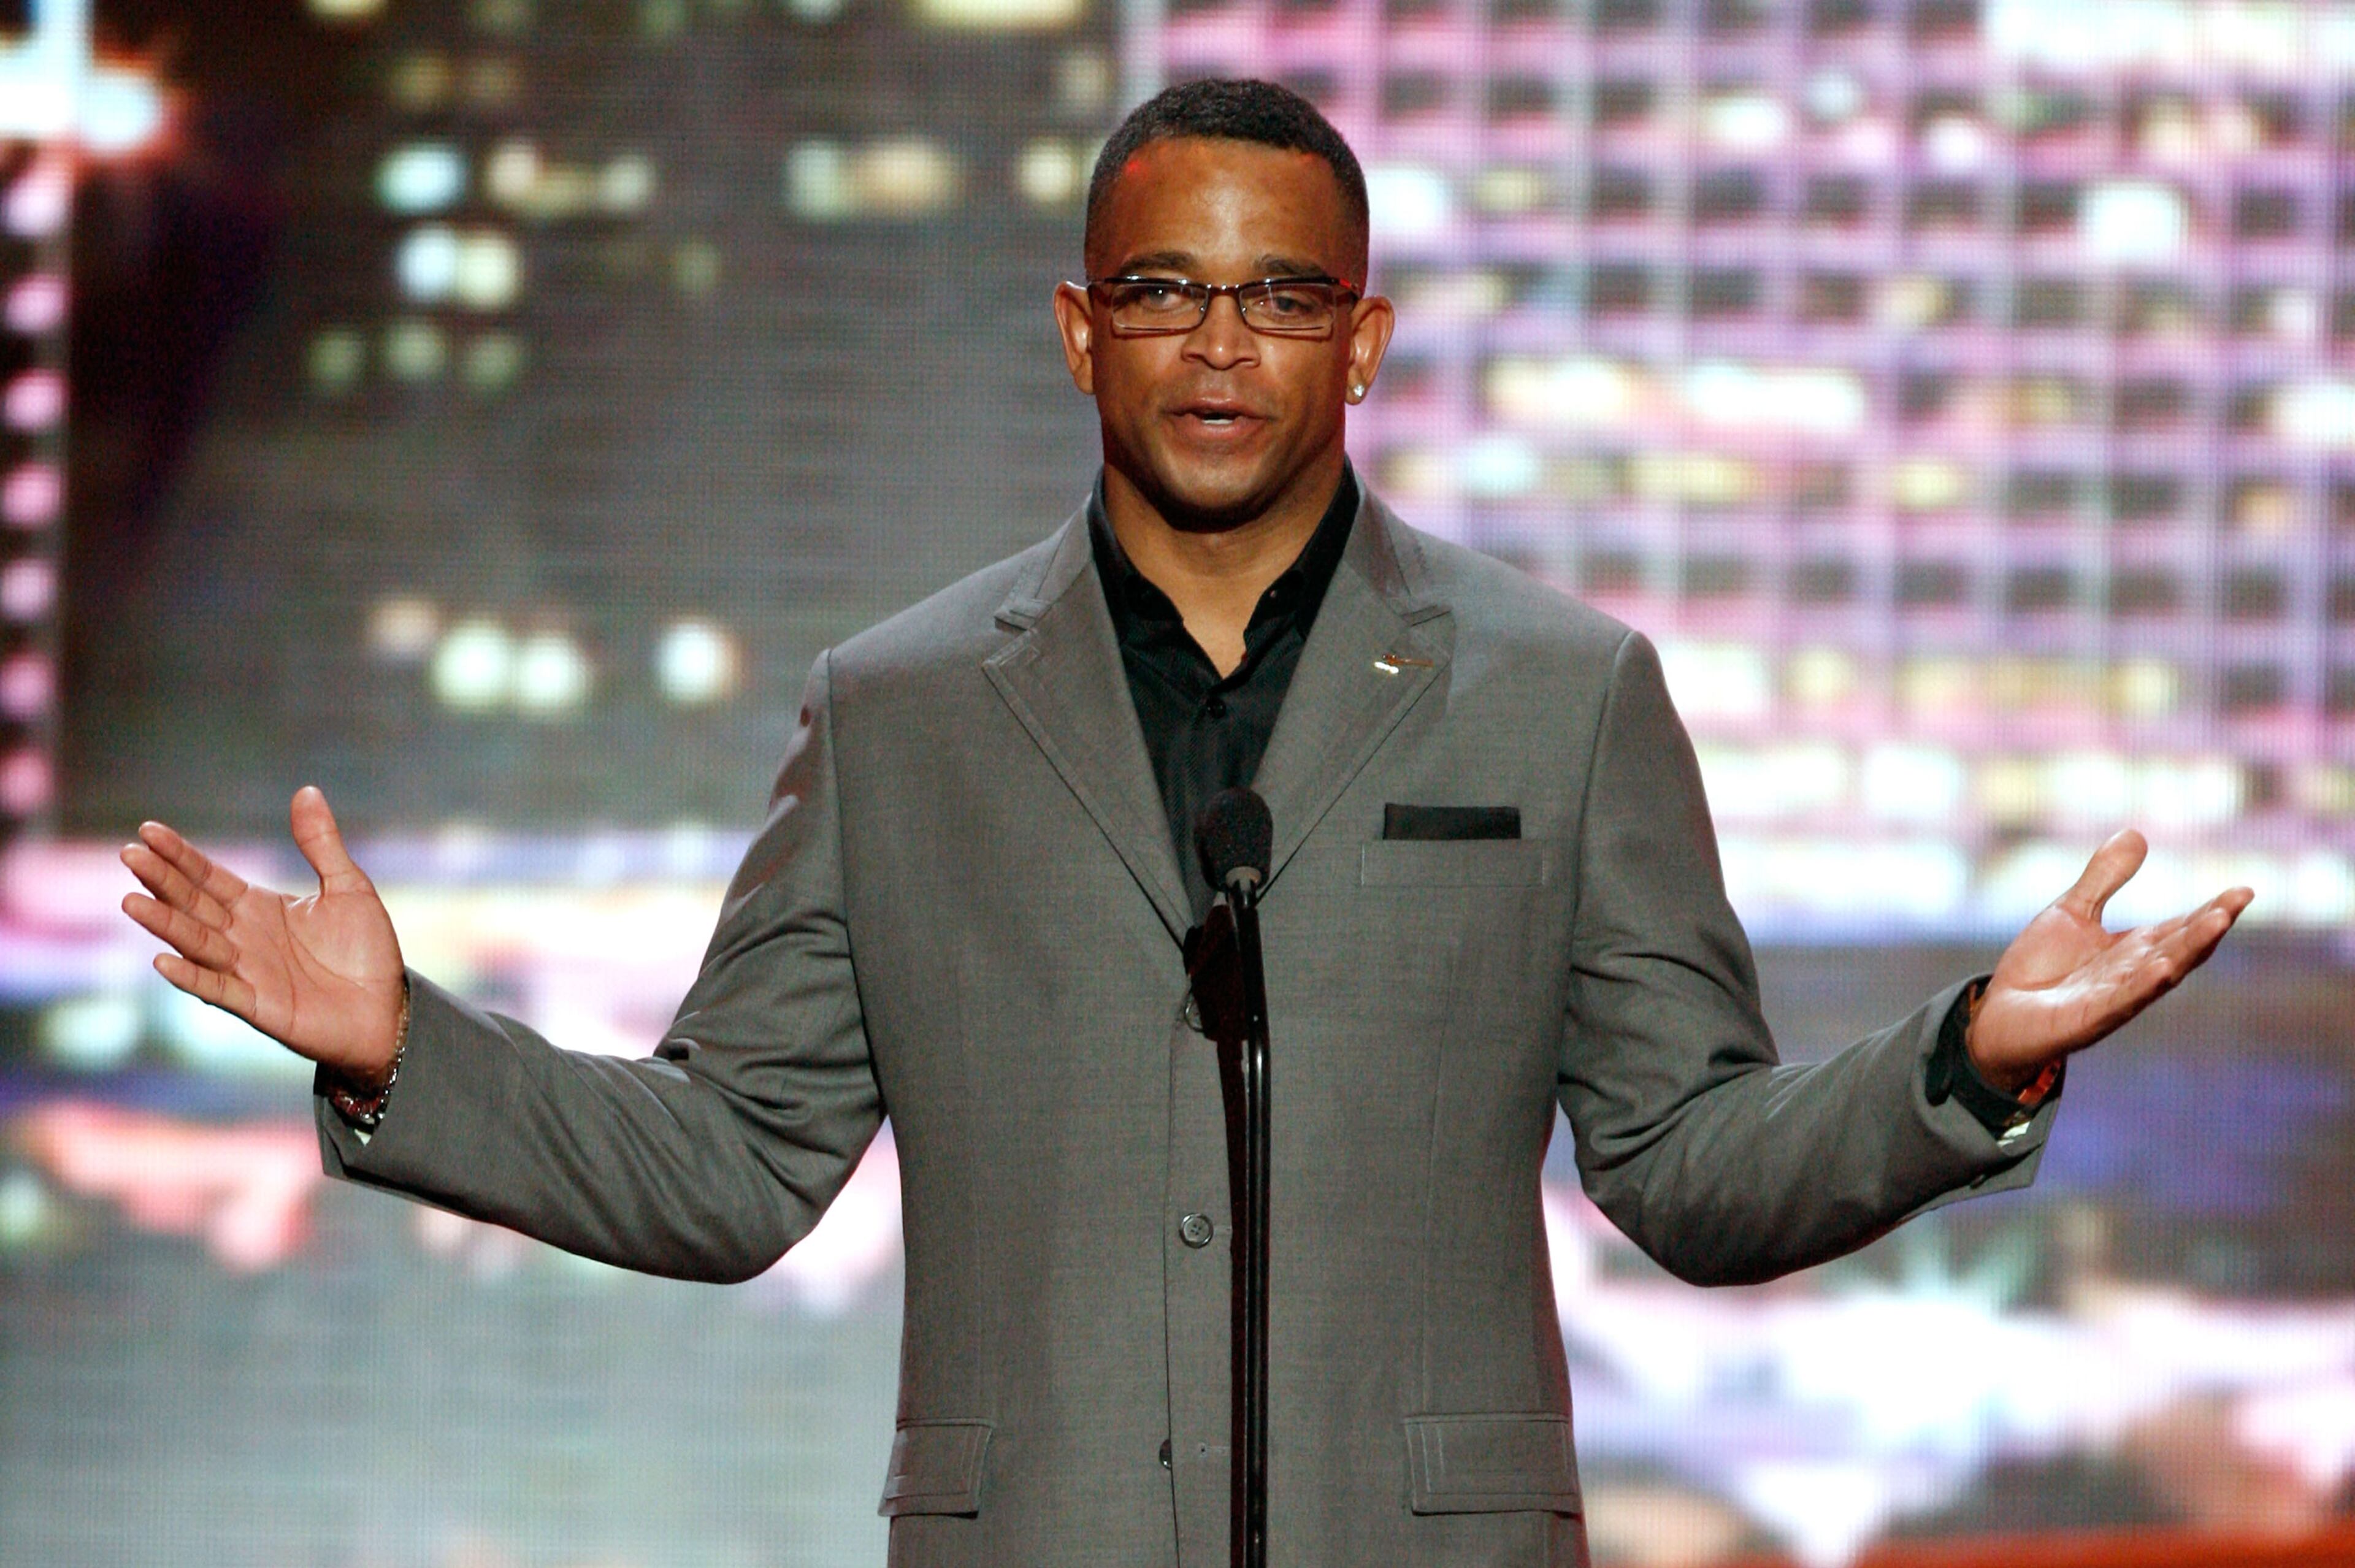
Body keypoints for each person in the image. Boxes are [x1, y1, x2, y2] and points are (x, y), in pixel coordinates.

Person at [119, 79, 2251, 1568]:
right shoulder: (902, 712)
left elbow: (1689, 1167)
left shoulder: (1565, 688)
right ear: (1078, 331)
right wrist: (410, 1057)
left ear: (1363, 340)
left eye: (1279, 295)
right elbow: (733, 1162)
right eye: (1161, 290)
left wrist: (1969, 1056)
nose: (1218, 344)